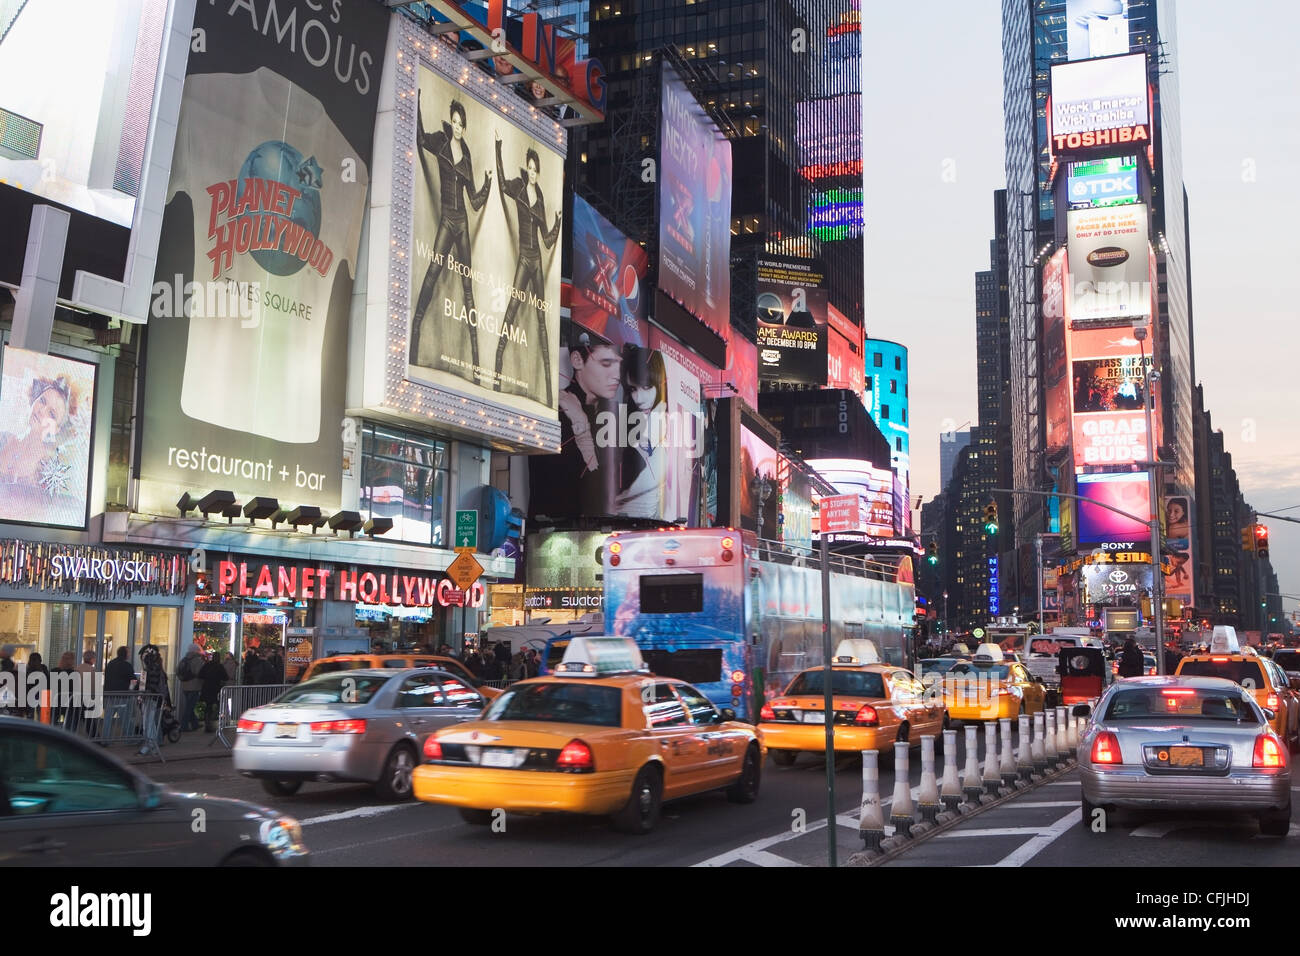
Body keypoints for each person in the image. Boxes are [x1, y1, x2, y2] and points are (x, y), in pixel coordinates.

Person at [410, 92, 493, 374]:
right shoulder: (442, 143)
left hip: (462, 223)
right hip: (447, 219)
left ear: (465, 127)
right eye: (454, 122)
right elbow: (420, 138)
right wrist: (417, 100)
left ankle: (477, 364)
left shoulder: (467, 158)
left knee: (468, 287)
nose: (457, 127)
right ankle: (414, 337)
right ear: (451, 123)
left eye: (461, 124)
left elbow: (475, 201)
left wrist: (487, 185)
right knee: (433, 271)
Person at [492, 133, 562, 406]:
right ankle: (496, 374)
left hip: (537, 263)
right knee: (511, 310)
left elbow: (545, 239)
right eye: (530, 168)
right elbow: (501, 182)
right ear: (526, 169)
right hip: (524, 259)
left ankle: (547, 394)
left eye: (536, 170)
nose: (532, 173)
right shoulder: (520, 187)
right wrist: (498, 149)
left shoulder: (540, 197)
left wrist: (556, 225)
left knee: (542, 323)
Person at [556, 330, 621, 508]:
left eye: (619, 364)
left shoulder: (612, 415)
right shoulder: (560, 409)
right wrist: (581, 427)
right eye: (606, 363)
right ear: (577, 360)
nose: (617, 375)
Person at [614, 345, 668, 518]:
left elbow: (657, 471)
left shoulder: (663, 420)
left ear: (659, 384)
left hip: (645, 518)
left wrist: (619, 498)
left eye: (646, 388)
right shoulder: (632, 417)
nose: (639, 399)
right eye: (633, 389)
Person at [137, 645, 171, 756]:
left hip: (150, 699)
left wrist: (140, 696)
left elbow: (145, 687)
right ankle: (151, 745)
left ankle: (150, 744)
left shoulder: (148, 671)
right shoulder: (158, 671)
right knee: (150, 722)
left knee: (148, 723)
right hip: (154, 699)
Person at [102, 646, 135, 742]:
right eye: (128, 652)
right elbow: (133, 680)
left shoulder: (110, 664)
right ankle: (129, 738)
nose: (129, 654)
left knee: (108, 718)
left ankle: (105, 739)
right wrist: (131, 690)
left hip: (109, 695)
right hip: (122, 695)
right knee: (125, 718)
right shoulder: (127, 665)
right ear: (125, 654)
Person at [198, 652, 228, 734]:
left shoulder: (207, 665)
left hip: (207, 688)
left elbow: (200, 675)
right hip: (215, 688)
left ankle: (208, 723)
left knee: (209, 706)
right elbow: (226, 677)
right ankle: (212, 722)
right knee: (218, 705)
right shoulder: (219, 666)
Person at [178, 642, 205, 733]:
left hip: (185, 685)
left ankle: (195, 724)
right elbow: (200, 673)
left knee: (189, 706)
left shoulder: (184, 659)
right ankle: (184, 726)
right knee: (189, 707)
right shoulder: (198, 660)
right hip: (194, 686)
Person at [22, 651, 49, 719]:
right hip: (31, 694)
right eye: (33, 660)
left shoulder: (43, 667)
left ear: (40, 661)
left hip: (41, 694)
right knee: (30, 714)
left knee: (42, 715)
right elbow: (27, 683)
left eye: (36, 660)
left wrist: (40, 670)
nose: (35, 662)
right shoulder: (27, 669)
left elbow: (47, 680)